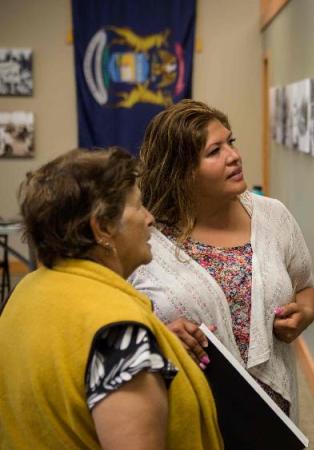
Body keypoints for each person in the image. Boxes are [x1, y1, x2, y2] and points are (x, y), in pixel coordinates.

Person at [0, 148, 222, 449]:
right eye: (139, 207)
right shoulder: (118, 332)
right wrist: (132, 348)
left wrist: (153, 350)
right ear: (102, 227)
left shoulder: (27, 292)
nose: (150, 219)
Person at [130, 100, 314, 420]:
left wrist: (305, 312)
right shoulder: (145, 242)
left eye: (230, 142)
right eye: (214, 151)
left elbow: (306, 288)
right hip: (185, 412)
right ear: (180, 172)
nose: (234, 156)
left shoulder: (273, 217)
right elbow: (114, 327)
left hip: (272, 417)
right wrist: (160, 338)